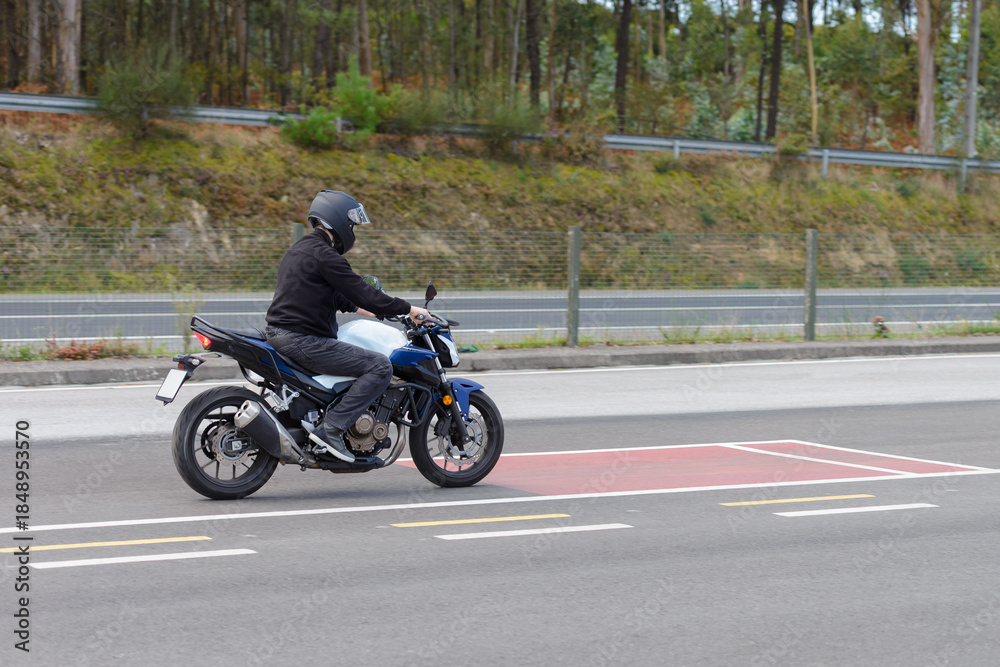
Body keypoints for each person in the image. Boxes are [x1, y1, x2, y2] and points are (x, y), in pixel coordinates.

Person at [265, 190, 430, 462]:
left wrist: (368, 310)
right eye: (352, 224)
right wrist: (409, 309)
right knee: (380, 366)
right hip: (302, 339)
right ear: (339, 221)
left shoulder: (301, 249)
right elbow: (364, 292)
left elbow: (335, 295)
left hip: (281, 334)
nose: (352, 230)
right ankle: (331, 429)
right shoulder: (326, 256)